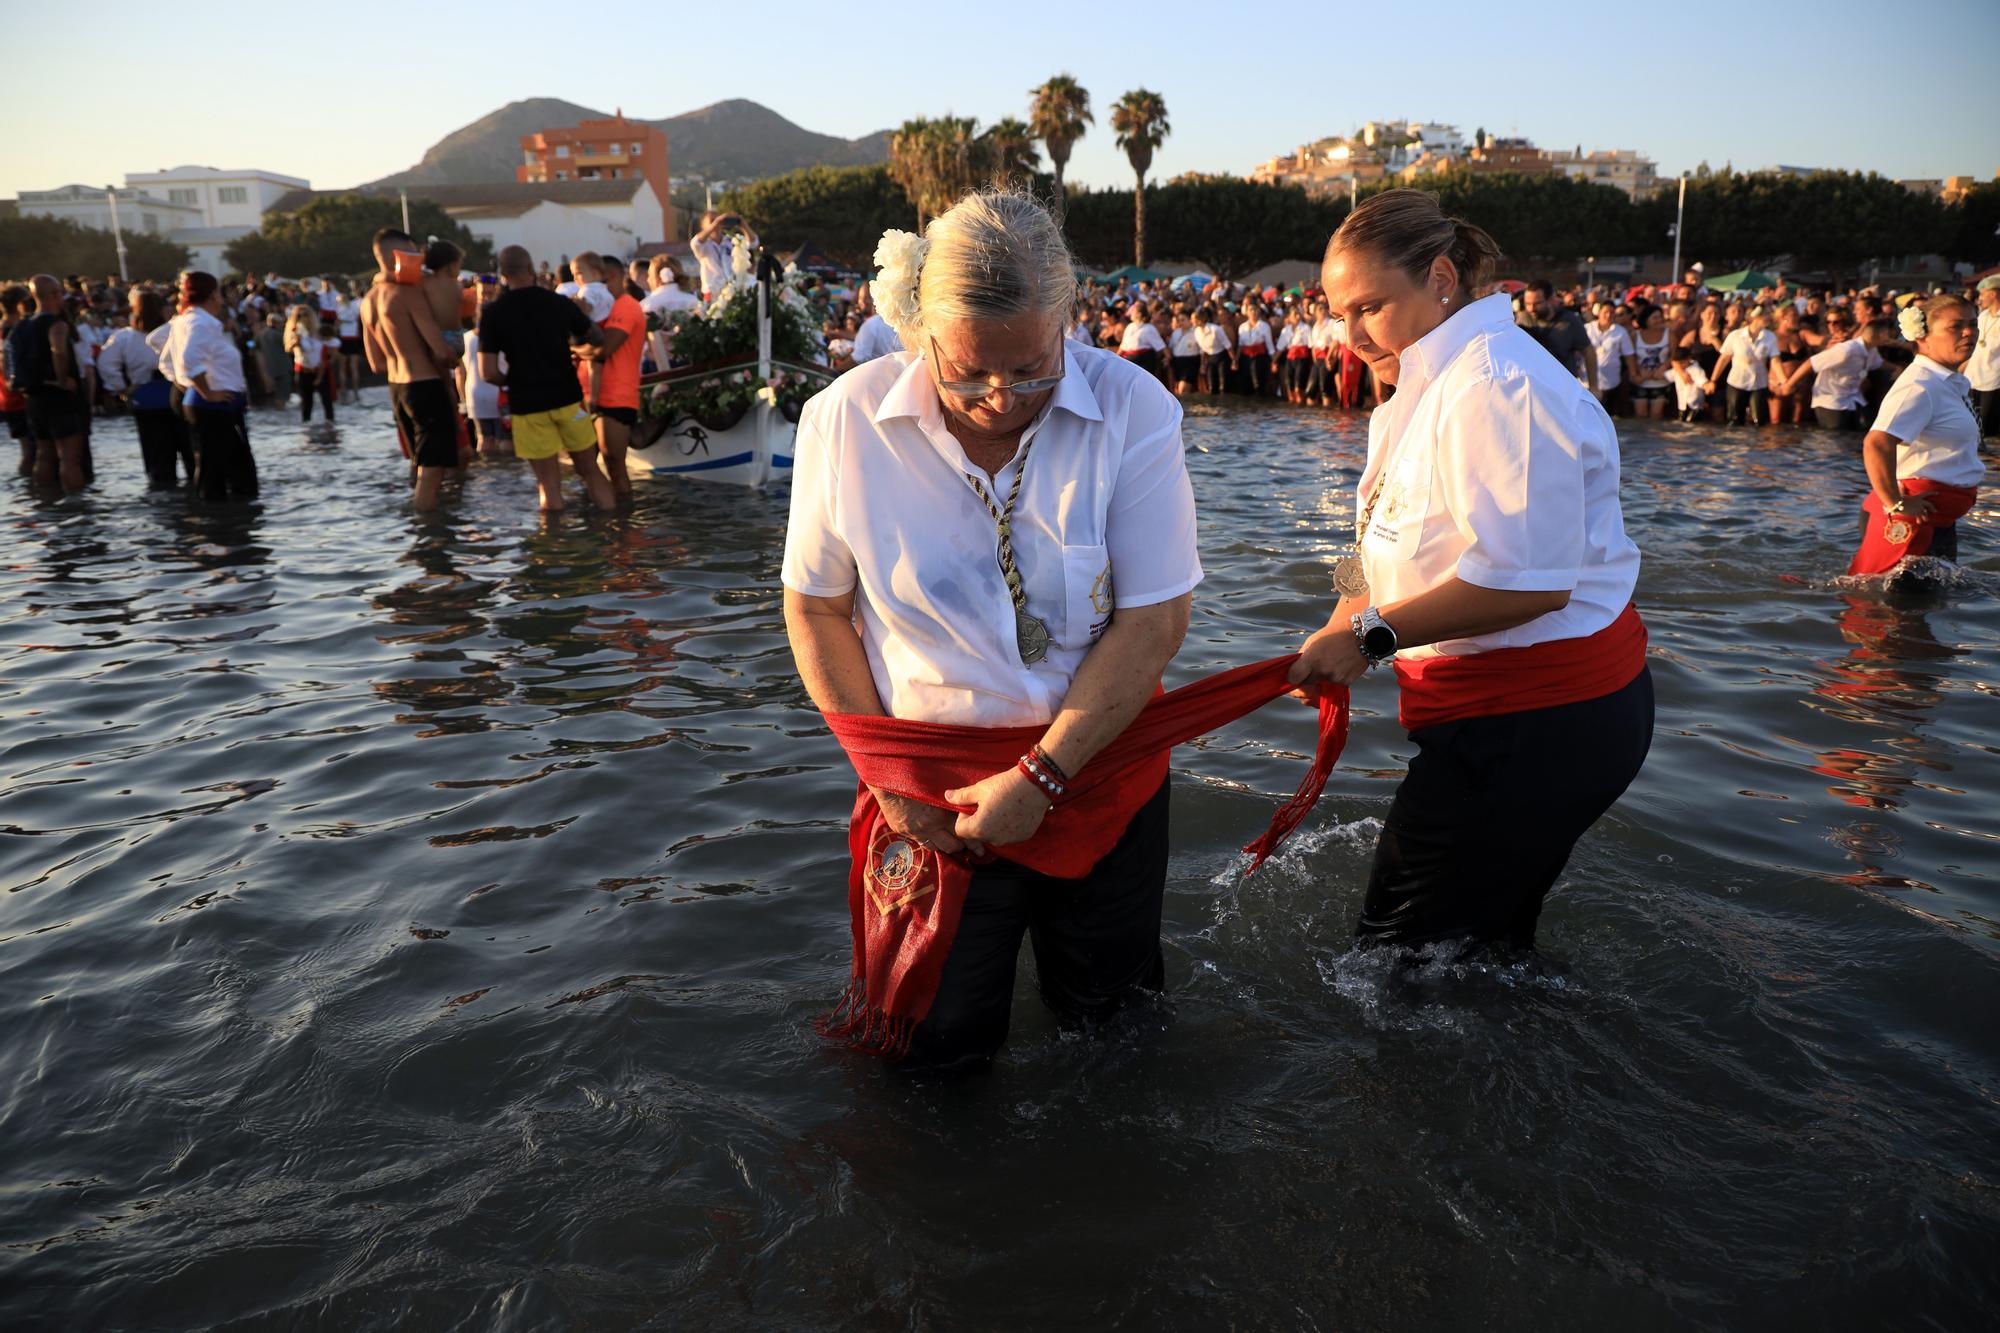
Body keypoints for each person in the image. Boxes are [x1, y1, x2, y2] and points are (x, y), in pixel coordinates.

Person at [784, 190, 1207, 1069]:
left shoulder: (1134, 409)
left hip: (1097, 771)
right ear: (920, 330)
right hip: (922, 789)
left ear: (1066, 319)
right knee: (926, 1051)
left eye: (1031, 368)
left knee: (1114, 1038)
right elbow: (817, 608)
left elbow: (1155, 620)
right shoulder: (845, 419)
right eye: (967, 372)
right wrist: (892, 783)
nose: (1000, 398)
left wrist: (1042, 775)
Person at [1290, 189, 1650, 950]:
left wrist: (1366, 641)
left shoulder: (1494, 383)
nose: (1350, 334)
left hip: (1542, 718)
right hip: (1497, 717)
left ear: (1443, 279)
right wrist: (1338, 620)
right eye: (1339, 312)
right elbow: (1376, 528)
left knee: (1397, 961)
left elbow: (1525, 579)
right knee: (1473, 945)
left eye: (1370, 307)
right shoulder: (1415, 388)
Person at [1847, 295, 1984, 575]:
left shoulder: (1949, 382)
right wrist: (1895, 503)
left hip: (1936, 520)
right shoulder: (1919, 385)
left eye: (1972, 324)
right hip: (1911, 519)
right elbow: (1876, 443)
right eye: (1955, 327)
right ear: (1922, 337)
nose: (1968, 332)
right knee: (1884, 610)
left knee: (1925, 608)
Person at [476, 244, 613, 513]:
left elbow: (488, 372)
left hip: (527, 404)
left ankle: (552, 551)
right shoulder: (559, 302)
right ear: (531, 268)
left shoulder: (493, 313)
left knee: (548, 487)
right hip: (568, 398)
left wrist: (512, 379)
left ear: (503, 274)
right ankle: (616, 537)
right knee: (591, 472)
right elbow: (596, 337)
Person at [360, 227, 459, 511]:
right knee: (433, 469)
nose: (420, 258)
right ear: (397, 255)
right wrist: (454, 351)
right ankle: (428, 536)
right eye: (414, 252)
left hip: (397, 389)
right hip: (424, 384)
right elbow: (441, 352)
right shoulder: (406, 294)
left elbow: (375, 363)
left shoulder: (369, 300)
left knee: (419, 462)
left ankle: (419, 526)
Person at [157, 271, 256, 501]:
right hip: (213, 405)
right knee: (222, 468)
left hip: (211, 402)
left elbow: (157, 342)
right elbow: (190, 358)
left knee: (219, 464)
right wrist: (207, 392)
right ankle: (219, 522)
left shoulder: (186, 319)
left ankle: (216, 518)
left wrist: (180, 380)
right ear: (213, 294)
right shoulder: (201, 322)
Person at [97, 287, 189, 487]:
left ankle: (162, 490)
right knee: (190, 451)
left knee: (156, 457)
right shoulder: (173, 331)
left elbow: (105, 363)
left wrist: (122, 388)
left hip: (146, 400)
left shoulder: (124, 337)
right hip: (179, 395)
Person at [5, 275, 88, 490]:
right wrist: (62, 379)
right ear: (53, 294)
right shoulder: (56, 323)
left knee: (43, 453)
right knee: (70, 456)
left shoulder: (22, 325)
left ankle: (44, 500)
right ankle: (77, 505)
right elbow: (58, 351)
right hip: (58, 396)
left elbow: (7, 355)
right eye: (59, 292)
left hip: (33, 396)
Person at [575, 252, 646, 501]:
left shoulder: (627, 306)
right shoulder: (603, 308)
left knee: (614, 463)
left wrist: (576, 349)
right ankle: (602, 519)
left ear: (611, 277)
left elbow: (604, 348)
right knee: (585, 466)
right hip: (588, 393)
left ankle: (623, 522)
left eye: (600, 281)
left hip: (616, 396)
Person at [1775, 308, 1880, 430]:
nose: (1832, 325)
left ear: (1845, 322)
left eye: (1836, 322)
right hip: (1818, 390)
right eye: (1828, 322)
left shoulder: (1847, 343)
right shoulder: (1831, 340)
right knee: (1778, 423)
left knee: (1799, 423)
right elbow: (1809, 362)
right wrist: (1786, 383)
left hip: (1831, 390)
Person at [1518, 279, 1597, 397]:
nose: (1531, 309)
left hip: (1564, 388)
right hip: (1534, 389)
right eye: (1528, 304)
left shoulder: (1569, 320)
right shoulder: (1523, 319)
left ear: (1550, 300)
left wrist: (1594, 387)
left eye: (1537, 303)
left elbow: (1588, 351)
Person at [1711, 305, 1778, 425]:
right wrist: (1713, 380)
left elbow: (1775, 360)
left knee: (1759, 421)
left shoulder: (1770, 337)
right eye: (1766, 315)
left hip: (1759, 383)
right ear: (1755, 317)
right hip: (1737, 382)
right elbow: (1723, 359)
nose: (1769, 318)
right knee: (1735, 420)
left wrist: (1783, 381)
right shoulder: (1735, 335)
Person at [691, 210, 758, 302]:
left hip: (733, 290)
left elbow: (753, 243)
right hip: (712, 292)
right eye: (712, 221)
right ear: (703, 226)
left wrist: (743, 225)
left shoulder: (732, 241)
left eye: (719, 220)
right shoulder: (703, 245)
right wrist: (714, 225)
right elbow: (696, 242)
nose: (717, 223)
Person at [285, 303, 333, 423]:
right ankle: (307, 431)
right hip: (303, 369)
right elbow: (288, 348)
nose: (303, 317)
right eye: (299, 315)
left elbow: (332, 343)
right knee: (307, 402)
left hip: (320, 369)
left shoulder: (319, 331)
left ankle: (331, 429)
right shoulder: (294, 331)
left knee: (327, 401)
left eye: (305, 314)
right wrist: (295, 341)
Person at [1585, 301, 1634, 414]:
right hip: (1586, 381)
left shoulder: (1621, 331)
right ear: (1598, 313)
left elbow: (1629, 354)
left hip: (1611, 381)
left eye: (1612, 312)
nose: (1608, 315)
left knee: (1607, 415)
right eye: (1605, 312)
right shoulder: (1587, 329)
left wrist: (1633, 373)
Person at [1628, 304, 1673, 419]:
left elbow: (1674, 355)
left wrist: (1664, 367)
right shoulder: (1635, 335)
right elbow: (1630, 356)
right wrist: (1636, 373)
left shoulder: (1670, 334)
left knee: (1657, 414)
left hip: (1661, 379)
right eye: (1655, 317)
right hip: (1640, 379)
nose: (1659, 320)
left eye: (1660, 317)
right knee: (1640, 414)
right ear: (1645, 320)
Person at [1970, 274, 1999, 438]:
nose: (1980, 298)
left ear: (1993, 294)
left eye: (1982, 294)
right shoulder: (1983, 316)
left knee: (1987, 426)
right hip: (1974, 377)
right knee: (1972, 422)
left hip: (1993, 379)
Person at [851, 282, 904, 365]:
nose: (863, 301)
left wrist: (834, 371)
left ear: (876, 298)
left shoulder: (871, 325)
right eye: (860, 297)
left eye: (867, 297)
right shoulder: (897, 320)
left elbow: (858, 358)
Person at [334, 283, 364, 404]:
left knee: (342, 367)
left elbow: (336, 326)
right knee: (354, 367)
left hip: (344, 339)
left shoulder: (340, 310)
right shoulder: (355, 308)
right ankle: (356, 391)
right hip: (354, 338)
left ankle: (343, 389)